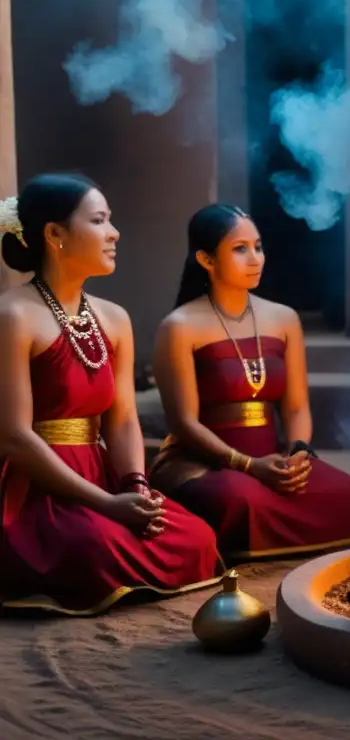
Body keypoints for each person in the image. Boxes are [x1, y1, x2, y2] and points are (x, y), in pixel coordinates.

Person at [0, 174, 222, 615]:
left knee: (198, 538)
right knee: (91, 547)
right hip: (30, 485)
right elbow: (12, 436)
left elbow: (121, 419)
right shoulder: (13, 315)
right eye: (99, 220)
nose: (114, 233)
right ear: (55, 234)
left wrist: (135, 488)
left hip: (100, 474)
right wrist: (107, 505)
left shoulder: (114, 318)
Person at [148, 204, 350, 561]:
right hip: (204, 463)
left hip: (272, 460)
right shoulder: (179, 326)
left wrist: (299, 451)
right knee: (242, 505)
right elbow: (184, 422)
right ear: (206, 260)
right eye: (239, 249)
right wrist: (248, 465)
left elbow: (295, 405)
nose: (255, 258)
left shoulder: (283, 318)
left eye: (257, 246)